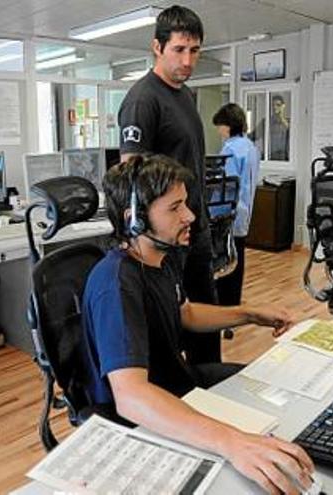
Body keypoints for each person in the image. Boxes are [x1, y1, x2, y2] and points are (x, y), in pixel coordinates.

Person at [82, 154, 315, 493]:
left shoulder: (161, 257)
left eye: (186, 204)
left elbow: (185, 314)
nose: (190, 216)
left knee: (276, 395)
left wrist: (250, 313)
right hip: (141, 419)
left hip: (180, 386)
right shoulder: (116, 284)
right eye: (174, 208)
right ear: (136, 220)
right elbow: (130, 397)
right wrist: (232, 442)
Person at [118, 5, 220, 364]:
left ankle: (212, 396)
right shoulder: (143, 99)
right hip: (167, 237)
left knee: (205, 329)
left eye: (195, 51)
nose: (188, 60)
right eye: (179, 49)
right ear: (157, 47)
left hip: (195, 229)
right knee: (171, 332)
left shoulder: (185, 95)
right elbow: (132, 176)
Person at [211, 103, 260, 305]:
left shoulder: (230, 148)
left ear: (228, 125)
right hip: (244, 211)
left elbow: (226, 183)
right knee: (237, 255)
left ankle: (224, 303)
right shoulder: (250, 146)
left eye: (220, 126)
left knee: (225, 259)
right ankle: (233, 301)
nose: (218, 131)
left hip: (227, 212)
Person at [269, 94, 289, 161]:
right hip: (272, 156)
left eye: (278, 105)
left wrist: (281, 117)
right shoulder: (267, 122)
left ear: (283, 106)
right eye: (273, 105)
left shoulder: (289, 122)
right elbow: (253, 135)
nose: (275, 107)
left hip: (286, 157)